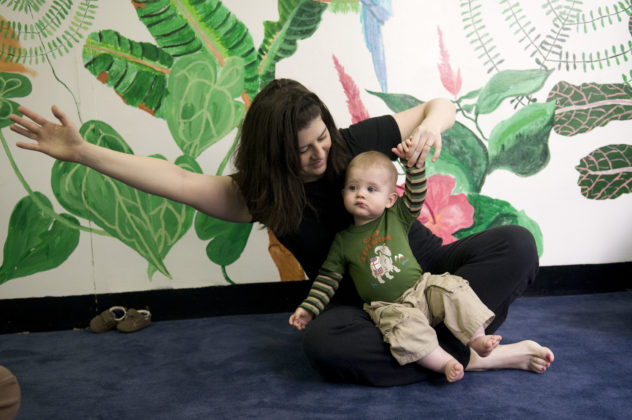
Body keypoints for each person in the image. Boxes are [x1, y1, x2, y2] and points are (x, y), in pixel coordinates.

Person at [9, 78, 553, 386]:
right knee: (321, 345)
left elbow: (441, 104)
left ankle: (438, 350)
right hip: (368, 310)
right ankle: (473, 352)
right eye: (305, 149)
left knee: (516, 244)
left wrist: (431, 129)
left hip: (431, 275)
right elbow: (173, 178)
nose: (322, 154)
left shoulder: (352, 139)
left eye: (323, 137)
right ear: (276, 154)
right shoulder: (262, 196)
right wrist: (82, 152)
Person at [289, 150, 506, 382]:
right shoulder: (343, 242)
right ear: (343, 194)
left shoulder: (396, 216)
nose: (360, 194)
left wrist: (414, 165)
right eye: (353, 188)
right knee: (404, 330)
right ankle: (445, 362)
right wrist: (309, 308)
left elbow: (416, 194)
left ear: (390, 199)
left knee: (451, 287)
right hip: (389, 307)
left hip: (422, 289)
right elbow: (327, 279)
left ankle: (477, 338)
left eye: (371, 189)